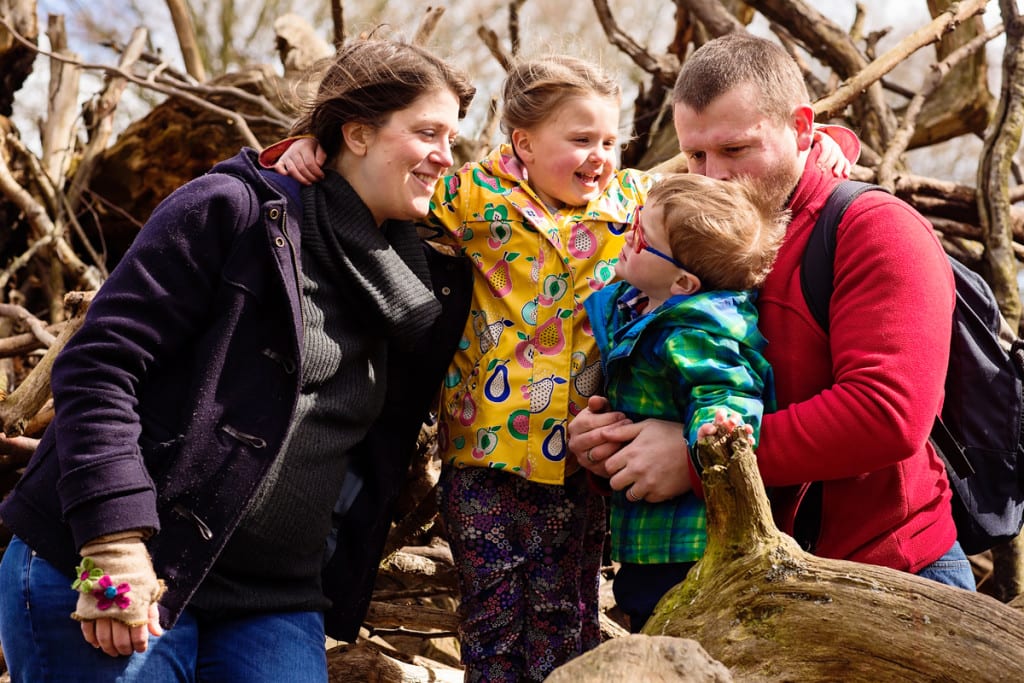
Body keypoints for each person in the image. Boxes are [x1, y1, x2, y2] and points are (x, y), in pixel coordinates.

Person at [267, 51, 855, 680]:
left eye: (610, 139)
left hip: (581, 457)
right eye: (580, 140)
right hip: (485, 448)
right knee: (490, 612)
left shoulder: (640, 200)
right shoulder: (472, 194)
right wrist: (302, 148)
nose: (600, 154)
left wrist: (831, 144)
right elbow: (383, 177)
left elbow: (730, 196)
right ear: (522, 141)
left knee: (564, 613)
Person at [0, 38, 477, 682]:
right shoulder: (231, 208)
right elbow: (97, 366)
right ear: (358, 134)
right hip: (126, 564)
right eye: (428, 132)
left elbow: (553, 174)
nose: (448, 156)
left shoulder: (417, 271)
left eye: (454, 136)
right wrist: (112, 546)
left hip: (274, 599)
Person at [568, 32, 975, 592]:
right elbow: (676, 377)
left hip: (890, 578)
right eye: (696, 155)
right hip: (735, 587)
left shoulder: (876, 230)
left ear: (803, 128)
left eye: (736, 150)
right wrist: (613, 440)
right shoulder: (690, 237)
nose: (713, 176)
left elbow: (887, 414)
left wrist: (696, 459)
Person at [583, 172, 787, 631]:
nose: (626, 235)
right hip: (649, 532)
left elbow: (724, 389)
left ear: (683, 283)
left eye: (641, 236)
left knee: (672, 636)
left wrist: (712, 431)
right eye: (635, 219)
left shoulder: (694, 331)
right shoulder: (643, 303)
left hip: (685, 544)